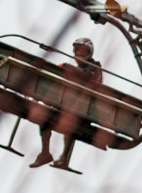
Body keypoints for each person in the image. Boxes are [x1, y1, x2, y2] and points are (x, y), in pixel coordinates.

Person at [31, 38, 105, 172]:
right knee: (45, 117)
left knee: (71, 122)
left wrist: (67, 68)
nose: (80, 54)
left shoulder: (94, 67)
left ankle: (64, 157)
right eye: (78, 51)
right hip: (71, 104)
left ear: (89, 53)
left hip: (86, 109)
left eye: (83, 52)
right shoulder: (77, 69)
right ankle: (45, 153)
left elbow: (87, 77)